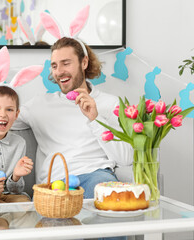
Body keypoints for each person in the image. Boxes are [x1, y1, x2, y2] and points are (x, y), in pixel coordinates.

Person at [12, 37, 133, 199]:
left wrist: (95, 118)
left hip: (97, 176)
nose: (59, 71)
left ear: (84, 63)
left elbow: (125, 158)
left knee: (109, 197)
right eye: (54, 66)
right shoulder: (40, 104)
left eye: (66, 63)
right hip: (56, 183)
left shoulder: (110, 103)